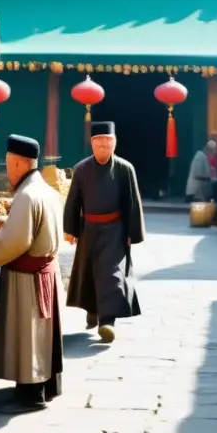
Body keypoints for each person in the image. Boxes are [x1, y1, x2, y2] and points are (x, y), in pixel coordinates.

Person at [0, 135, 64, 413]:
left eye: (8, 164)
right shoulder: (47, 191)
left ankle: (31, 395)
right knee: (40, 334)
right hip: (45, 272)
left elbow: (14, 241)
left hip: (28, 278)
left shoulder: (27, 196)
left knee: (28, 334)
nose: (8, 171)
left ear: (18, 163)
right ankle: (44, 386)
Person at [63, 121, 145, 344]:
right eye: (99, 141)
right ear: (91, 144)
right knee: (89, 273)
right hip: (89, 228)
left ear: (115, 143)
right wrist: (70, 230)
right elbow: (73, 202)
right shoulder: (81, 169)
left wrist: (132, 232)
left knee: (112, 274)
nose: (103, 146)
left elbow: (132, 203)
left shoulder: (125, 169)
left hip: (115, 230)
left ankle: (107, 322)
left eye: (108, 141)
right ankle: (93, 310)